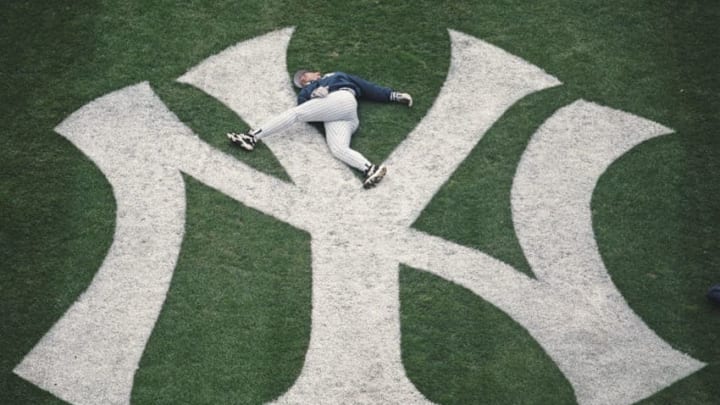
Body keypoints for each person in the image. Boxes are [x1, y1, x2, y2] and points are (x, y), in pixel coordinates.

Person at [227, 70, 413, 188]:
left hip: (342, 99)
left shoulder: (335, 76)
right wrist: (310, 96)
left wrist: (395, 96)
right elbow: (310, 113)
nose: (301, 79)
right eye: (300, 81)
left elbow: (368, 88)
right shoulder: (303, 94)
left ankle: (251, 136)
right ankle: (369, 169)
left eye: (304, 75)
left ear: (316, 73)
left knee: (295, 114)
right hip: (342, 118)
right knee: (338, 149)